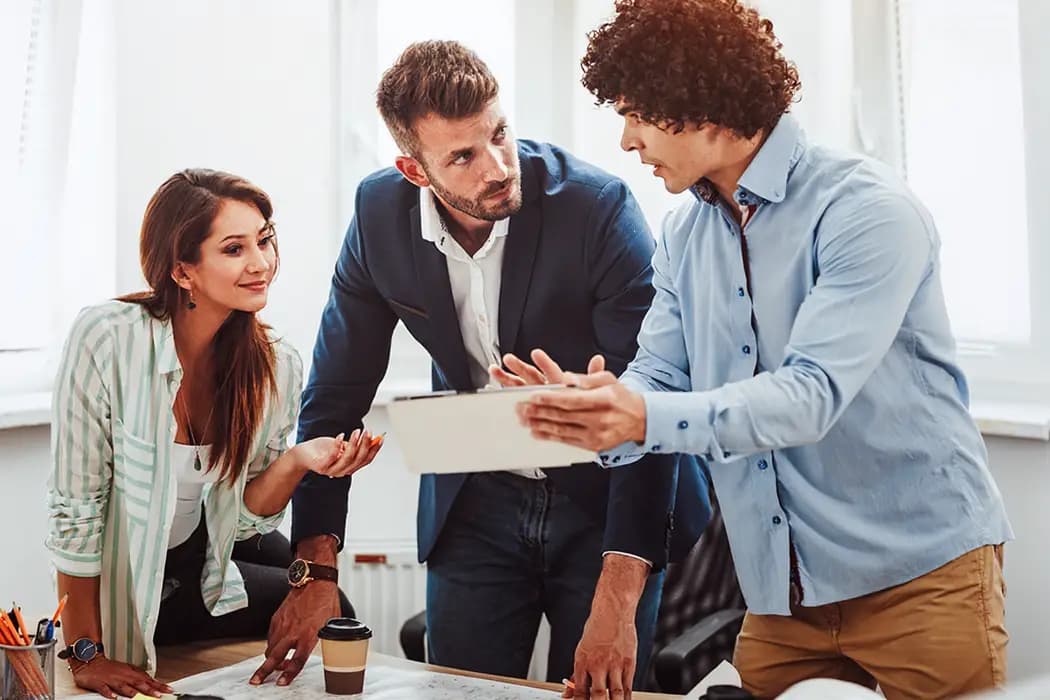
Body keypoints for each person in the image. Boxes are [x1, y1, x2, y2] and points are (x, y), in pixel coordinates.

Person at [506, 1, 1013, 698]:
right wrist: (594, 407)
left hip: (919, 580)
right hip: (782, 596)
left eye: (638, 115)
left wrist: (640, 416)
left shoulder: (865, 209)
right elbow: (659, 375)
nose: (626, 141)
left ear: (701, 104)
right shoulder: (684, 236)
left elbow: (808, 398)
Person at [253, 41, 710, 696]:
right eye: (463, 156)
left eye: (499, 134)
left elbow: (652, 394)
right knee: (456, 691)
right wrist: (314, 572)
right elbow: (334, 396)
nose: (498, 167)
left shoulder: (596, 207)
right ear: (413, 170)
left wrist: (619, 594)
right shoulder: (379, 217)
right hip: (476, 503)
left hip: (606, 497)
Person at [47, 169, 379, 699]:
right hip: (141, 575)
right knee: (310, 596)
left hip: (205, 549)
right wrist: (85, 652)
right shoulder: (107, 340)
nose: (261, 263)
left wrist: (298, 460)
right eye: (234, 249)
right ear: (183, 270)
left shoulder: (275, 364)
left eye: (264, 240)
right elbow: (77, 512)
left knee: (327, 601)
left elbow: (244, 521)